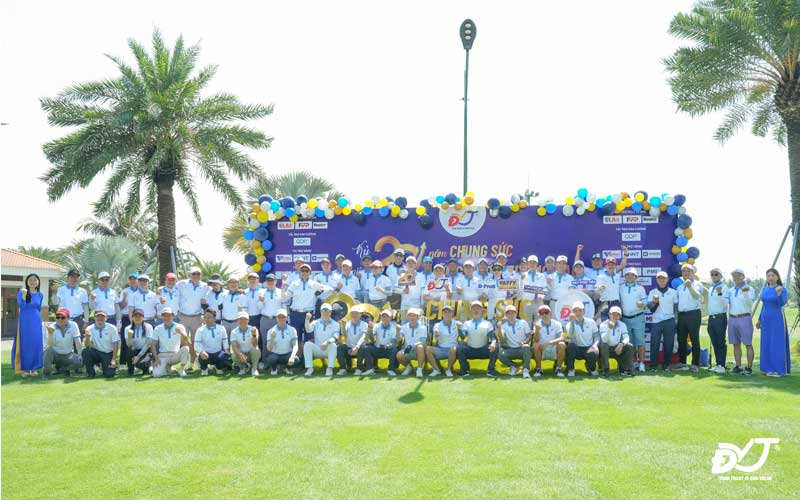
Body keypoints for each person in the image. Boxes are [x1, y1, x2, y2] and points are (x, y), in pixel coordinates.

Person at [284, 263, 330, 344]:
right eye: (302, 271)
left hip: (308, 314)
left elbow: (329, 289)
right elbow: (286, 297)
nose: (304, 272)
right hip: (295, 314)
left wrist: (321, 291)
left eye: (306, 271)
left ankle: (306, 352)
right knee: (296, 339)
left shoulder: (315, 284)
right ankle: (298, 352)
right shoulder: (294, 284)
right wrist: (283, 286)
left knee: (309, 339)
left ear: (310, 273)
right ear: (300, 272)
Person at [758, 268, 791, 377]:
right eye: (768, 276)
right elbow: (764, 305)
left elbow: (781, 303)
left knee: (776, 343)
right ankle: (767, 368)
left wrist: (779, 294)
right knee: (766, 343)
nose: (770, 278)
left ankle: (778, 370)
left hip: (777, 319)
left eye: (773, 275)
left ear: (777, 277)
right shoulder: (765, 290)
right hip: (765, 320)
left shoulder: (782, 289)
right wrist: (759, 319)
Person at [176, 266, 209, 369]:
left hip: (197, 317)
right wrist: (160, 289)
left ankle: (192, 363)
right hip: (183, 316)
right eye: (194, 274)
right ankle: (183, 363)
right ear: (190, 275)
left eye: (198, 274)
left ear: (201, 275)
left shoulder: (205, 286)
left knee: (195, 341)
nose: (196, 276)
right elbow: (170, 287)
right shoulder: (182, 284)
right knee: (182, 341)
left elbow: (218, 289)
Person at [14, 273, 45, 377]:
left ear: (38, 282)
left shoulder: (40, 295)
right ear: (27, 281)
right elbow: (22, 306)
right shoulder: (21, 293)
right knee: (25, 344)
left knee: (35, 343)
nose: (33, 282)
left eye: (35, 280)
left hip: (36, 321)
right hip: (25, 321)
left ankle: (34, 368)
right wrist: (24, 295)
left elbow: (39, 308)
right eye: (30, 280)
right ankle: (25, 369)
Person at [457, 301, 499, 378]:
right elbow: (463, 337)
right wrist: (459, 329)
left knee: (495, 347)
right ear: (471, 310)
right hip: (470, 350)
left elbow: (492, 337)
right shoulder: (467, 323)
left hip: (483, 350)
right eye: (474, 308)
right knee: (460, 347)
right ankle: (464, 370)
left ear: (482, 310)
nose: (476, 310)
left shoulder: (487, 323)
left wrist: (493, 343)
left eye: (478, 308)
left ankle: (491, 370)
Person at [676, 264, 705, 372]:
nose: (686, 273)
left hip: (693, 314)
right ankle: (683, 363)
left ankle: (695, 364)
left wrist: (689, 287)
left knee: (694, 339)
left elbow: (697, 296)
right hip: (682, 315)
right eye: (684, 271)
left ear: (693, 273)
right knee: (681, 339)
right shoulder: (679, 287)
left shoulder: (697, 284)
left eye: (689, 271)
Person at [647, 272, 678, 371]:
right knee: (654, 344)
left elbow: (676, 308)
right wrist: (654, 302)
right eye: (660, 278)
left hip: (669, 321)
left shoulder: (673, 292)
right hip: (656, 321)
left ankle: (666, 365)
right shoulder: (652, 292)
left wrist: (675, 320)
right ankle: (653, 365)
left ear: (667, 279)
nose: (662, 280)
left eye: (664, 278)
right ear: (657, 280)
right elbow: (651, 309)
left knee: (669, 344)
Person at [619, 268, 647, 372]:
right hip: (625, 319)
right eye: (627, 275)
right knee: (630, 343)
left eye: (632, 275)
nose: (629, 277)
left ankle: (642, 363)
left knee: (640, 341)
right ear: (625, 277)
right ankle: (634, 362)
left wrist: (642, 304)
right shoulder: (620, 287)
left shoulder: (640, 288)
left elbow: (645, 302)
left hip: (638, 317)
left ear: (636, 277)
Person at [728, 268, 756, 375]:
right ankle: (738, 366)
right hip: (732, 318)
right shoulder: (731, 290)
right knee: (735, 344)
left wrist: (745, 293)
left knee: (748, 344)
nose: (736, 277)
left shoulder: (749, 288)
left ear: (743, 276)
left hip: (744, 317)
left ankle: (749, 368)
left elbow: (750, 304)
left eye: (738, 275)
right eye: (734, 276)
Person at [42, 308, 82, 379]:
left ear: (68, 318)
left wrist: (80, 355)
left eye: (63, 317)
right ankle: (46, 374)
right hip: (55, 355)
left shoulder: (73, 325)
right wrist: (50, 334)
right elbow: (50, 345)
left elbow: (77, 341)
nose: (60, 319)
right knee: (48, 351)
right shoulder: (51, 327)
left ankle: (64, 369)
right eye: (57, 317)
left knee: (80, 361)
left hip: (68, 355)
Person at [150, 308, 191, 378]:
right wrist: (156, 359)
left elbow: (188, 342)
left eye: (169, 315)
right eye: (164, 315)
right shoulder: (158, 328)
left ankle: (181, 369)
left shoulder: (180, 326)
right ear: (162, 317)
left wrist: (181, 333)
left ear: (173, 316)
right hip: (162, 356)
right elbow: (153, 345)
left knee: (186, 348)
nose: (167, 317)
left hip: (175, 355)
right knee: (156, 374)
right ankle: (167, 368)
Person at [565, 302, 600, 377]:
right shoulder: (569, 324)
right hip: (576, 348)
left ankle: (591, 368)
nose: (578, 313)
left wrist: (595, 345)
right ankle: (571, 369)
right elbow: (571, 335)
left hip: (589, 347)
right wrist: (572, 322)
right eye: (575, 311)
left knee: (592, 352)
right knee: (571, 346)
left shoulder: (591, 322)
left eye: (580, 310)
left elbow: (596, 336)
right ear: (572, 313)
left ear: (584, 311)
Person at [81, 309, 120, 378]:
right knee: (85, 352)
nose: (100, 318)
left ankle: (105, 367)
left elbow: (115, 344)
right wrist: (87, 338)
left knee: (109, 374)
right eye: (98, 316)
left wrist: (113, 359)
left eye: (102, 316)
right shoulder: (89, 329)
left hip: (108, 353)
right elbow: (87, 346)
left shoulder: (112, 328)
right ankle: (91, 373)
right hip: (96, 352)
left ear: (106, 318)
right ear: (94, 318)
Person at [497, 305, 532, 378]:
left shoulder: (523, 322)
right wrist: (499, 328)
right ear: (506, 315)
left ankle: (525, 370)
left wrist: (525, 342)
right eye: (509, 313)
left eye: (513, 312)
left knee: (526, 347)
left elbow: (529, 335)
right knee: (500, 354)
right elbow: (502, 337)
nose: (511, 315)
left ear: (516, 313)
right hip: (510, 349)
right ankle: (514, 366)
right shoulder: (504, 326)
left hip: (522, 348)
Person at [303, 304, 338, 377]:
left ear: (330, 312)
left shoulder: (335, 324)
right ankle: (309, 368)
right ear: (320, 312)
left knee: (333, 345)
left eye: (327, 311)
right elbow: (308, 330)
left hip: (328, 349)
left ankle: (330, 368)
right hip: (318, 349)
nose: (325, 313)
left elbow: (335, 337)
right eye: (323, 311)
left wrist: (327, 342)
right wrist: (307, 320)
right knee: (307, 344)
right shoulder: (315, 322)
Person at [707, 267, 731, 373]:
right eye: (712, 274)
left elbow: (725, 304)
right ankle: (718, 364)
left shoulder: (724, 287)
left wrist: (720, 293)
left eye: (716, 274)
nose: (714, 276)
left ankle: (722, 365)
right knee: (714, 341)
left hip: (720, 317)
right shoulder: (711, 288)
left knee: (720, 341)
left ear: (721, 276)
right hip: (711, 317)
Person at [195, 309, 233, 375]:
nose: (206, 319)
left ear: (214, 318)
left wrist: (226, 350)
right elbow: (197, 344)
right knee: (202, 357)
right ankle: (204, 369)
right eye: (205, 317)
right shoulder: (200, 330)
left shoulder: (221, 328)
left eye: (209, 317)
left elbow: (225, 341)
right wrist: (201, 352)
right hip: (206, 354)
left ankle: (218, 368)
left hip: (218, 353)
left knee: (224, 356)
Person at [599, 306, 634, 377]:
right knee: (604, 345)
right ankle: (606, 370)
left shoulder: (622, 324)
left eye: (617, 315)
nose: (615, 316)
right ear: (609, 314)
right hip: (606, 349)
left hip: (617, 348)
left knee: (629, 346)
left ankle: (626, 370)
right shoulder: (603, 325)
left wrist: (621, 344)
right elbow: (604, 340)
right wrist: (609, 329)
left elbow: (626, 338)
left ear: (620, 316)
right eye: (613, 314)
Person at [532, 305, 566, 377]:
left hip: (554, 347)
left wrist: (549, 342)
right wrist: (537, 330)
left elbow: (562, 337)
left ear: (550, 314)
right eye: (541, 313)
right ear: (539, 315)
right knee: (536, 345)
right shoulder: (537, 324)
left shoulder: (557, 323)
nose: (544, 315)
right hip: (542, 348)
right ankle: (539, 369)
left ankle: (558, 369)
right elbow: (536, 340)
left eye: (546, 312)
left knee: (562, 344)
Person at [427, 303, 460, 377]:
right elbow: (436, 333)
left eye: (449, 312)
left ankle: (449, 369)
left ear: (452, 314)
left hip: (453, 350)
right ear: (442, 314)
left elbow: (463, 336)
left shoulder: (457, 323)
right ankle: (436, 370)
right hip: (441, 349)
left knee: (453, 349)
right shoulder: (437, 325)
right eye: (445, 312)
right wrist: (436, 334)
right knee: (428, 349)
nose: (447, 314)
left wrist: (460, 328)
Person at [365, 309, 399, 376]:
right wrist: (370, 329)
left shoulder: (394, 327)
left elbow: (394, 341)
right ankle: (369, 369)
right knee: (367, 348)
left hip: (388, 349)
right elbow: (371, 339)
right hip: (378, 348)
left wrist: (389, 345)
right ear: (381, 317)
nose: (385, 318)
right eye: (383, 316)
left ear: (390, 318)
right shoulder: (376, 326)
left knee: (394, 350)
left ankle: (391, 370)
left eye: (387, 317)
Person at [265, 309, 300, 375]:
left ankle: (288, 368)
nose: (281, 319)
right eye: (279, 317)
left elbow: (295, 345)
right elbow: (269, 349)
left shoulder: (292, 329)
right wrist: (272, 339)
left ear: (286, 318)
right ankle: (274, 369)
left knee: (296, 359)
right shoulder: (271, 331)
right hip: (275, 354)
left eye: (283, 317)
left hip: (287, 354)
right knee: (271, 359)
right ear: (276, 318)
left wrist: (292, 357)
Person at [396, 308, 429, 377]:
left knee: (420, 347)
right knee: (399, 355)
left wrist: (413, 346)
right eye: (410, 315)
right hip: (407, 350)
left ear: (417, 317)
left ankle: (419, 369)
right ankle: (409, 367)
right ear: (407, 317)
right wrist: (398, 332)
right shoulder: (404, 327)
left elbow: (423, 342)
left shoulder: (423, 327)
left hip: (419, 350)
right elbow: (398, 340)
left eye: (414, 315)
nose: (412, 317)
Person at [258, 274, 283, 365]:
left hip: (277, 320)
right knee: (265, 342)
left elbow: (283, 306)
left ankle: (277, 362)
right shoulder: (261, 292)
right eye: (268, 280)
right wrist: (261, 301)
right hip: (265, 319)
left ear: (276, 281)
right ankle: (265, 361)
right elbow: (259, 307)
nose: (270, 282)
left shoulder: (280, 292)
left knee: (277, 341)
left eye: (272, 280)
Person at [337, 307, 369, 376]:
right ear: (350, 314)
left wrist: (357, 347)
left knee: (363, 348)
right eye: (353, 313)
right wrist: (343, 326)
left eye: (357, 313)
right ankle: (343, 369)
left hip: (359, 347)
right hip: (349, 347)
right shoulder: (347, 323)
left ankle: (359, 369)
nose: (354, 315)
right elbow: (344, 334)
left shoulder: (364, 324)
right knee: (340, 348)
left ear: (360, 314)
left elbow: (363, 337)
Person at [56, 269, 89, 333]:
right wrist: (54, 294)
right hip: (63, 319)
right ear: (67, 278)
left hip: (78, 319)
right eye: (72, 277)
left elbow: (85, 307)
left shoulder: (83, 291)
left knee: (78, 338)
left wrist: (86, 321)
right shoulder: (60, 290)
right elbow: (55, 303)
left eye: (76, 277)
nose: (74, 279)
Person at [122, 309, 154, 376]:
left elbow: (148, 344)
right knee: (129, 351)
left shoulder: (148, 327)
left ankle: (146, 368)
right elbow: (129, 345)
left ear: (143, 318)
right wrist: (130, 338)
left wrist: (138, 356)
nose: (137, 318)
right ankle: (130, 370)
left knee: (142, 364)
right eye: (135, 316)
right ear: (132, 317)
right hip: (134, 350)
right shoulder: (127, 328)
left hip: (145, 350)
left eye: (140, 316)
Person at [117, 271, 141, 360]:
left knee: (138, 339)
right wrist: (124, 298)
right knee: (125, 339)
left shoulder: (141, 290)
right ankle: (123, 362)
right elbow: (121, 307)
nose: (133, 281)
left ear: (138, 280)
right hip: (126, 317)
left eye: (134, 279)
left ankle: (136, 360)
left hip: (138, 317)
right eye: (131, 279)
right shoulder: (125, 291)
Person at [231, 310, 262, 376]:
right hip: (241, 353)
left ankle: (254, 368)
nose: (243, 321)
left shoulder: (253, 329)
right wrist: (240, 354)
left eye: (245, 319)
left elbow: (255, 344)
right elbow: (234, 346)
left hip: (251, 353)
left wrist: (254, 335)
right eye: (240, 319)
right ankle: (242, 368)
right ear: (237, 321)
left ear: (248, 320)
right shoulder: (234, 331)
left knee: (256, 350)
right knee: (234, 355)